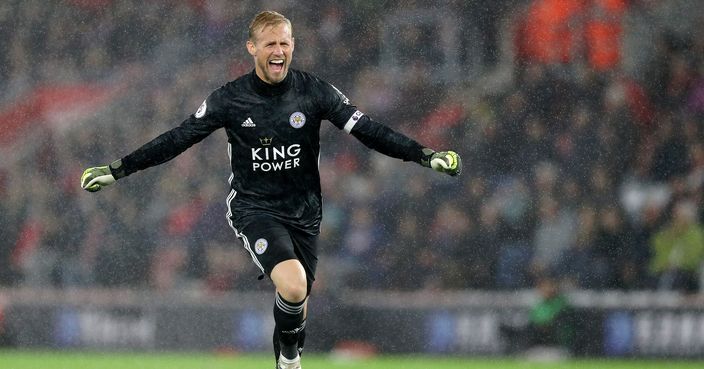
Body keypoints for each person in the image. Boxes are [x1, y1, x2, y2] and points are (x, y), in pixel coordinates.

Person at [80, 11, 461, 369]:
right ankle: (290, 362)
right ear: (252, 48)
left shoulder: (315, 92)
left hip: (305, 213)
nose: (279, 51)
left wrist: (423, 155)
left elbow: (370, 131)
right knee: (294, 286)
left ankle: (287, 354)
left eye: (285, 43)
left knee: (298, 299)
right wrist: (119, 169)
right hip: (254, 209)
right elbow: (178, 138)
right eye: (270, 44)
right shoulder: (229, 99)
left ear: (293, 45)